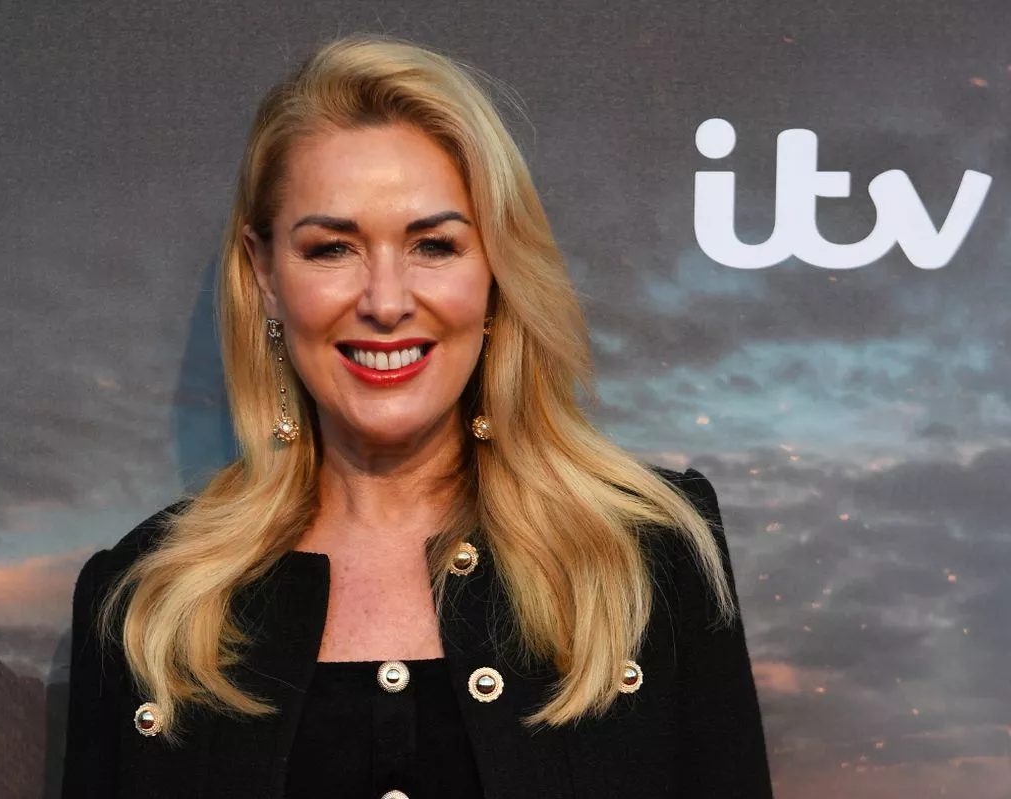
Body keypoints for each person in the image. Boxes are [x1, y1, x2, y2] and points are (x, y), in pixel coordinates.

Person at [61, 32, 773, 799]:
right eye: (332, 248)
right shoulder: (146, 602)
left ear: (497, 270)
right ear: (265, 273)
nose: (386, 300)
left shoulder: (653, 561)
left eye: (434, 245)